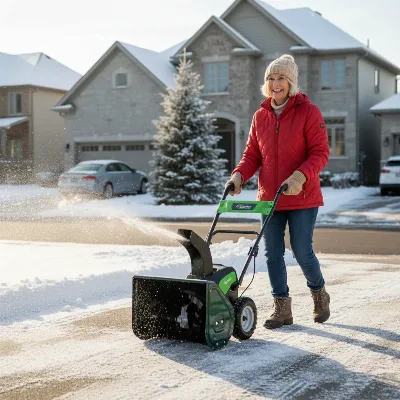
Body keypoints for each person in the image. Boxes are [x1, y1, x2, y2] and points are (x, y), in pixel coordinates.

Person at [226, 54, 330, 329]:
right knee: (272, 253)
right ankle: (282, 308)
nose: (275, 83)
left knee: (301, 251)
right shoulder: (260, 116)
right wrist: (239, 175)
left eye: (281, 78)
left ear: (291, 82)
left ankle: (320, 295)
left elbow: (320, 153)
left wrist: (299, 176)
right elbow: (252, 155)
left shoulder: (309, 112)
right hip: (270, 196)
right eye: (271, 78)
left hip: (302, 195)